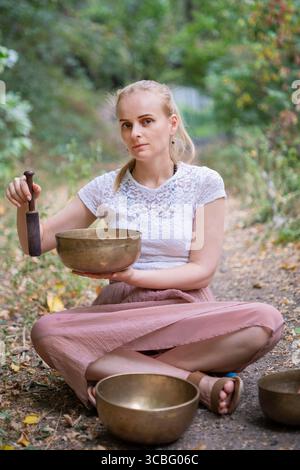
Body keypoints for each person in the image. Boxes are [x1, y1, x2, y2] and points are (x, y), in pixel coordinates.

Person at [5, 80, 284, 415]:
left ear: (172, 124)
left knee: (266, 321)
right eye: (126, 125)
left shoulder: (204, 183)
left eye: (146, 121)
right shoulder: (104, 187)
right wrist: (26, 206)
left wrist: (132, 274)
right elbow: (36, 244)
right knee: (47, 331)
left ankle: (120, 373)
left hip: (184, 311)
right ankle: (196, 382)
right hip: (120, 315)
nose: (135, 132)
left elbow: (202, 271)